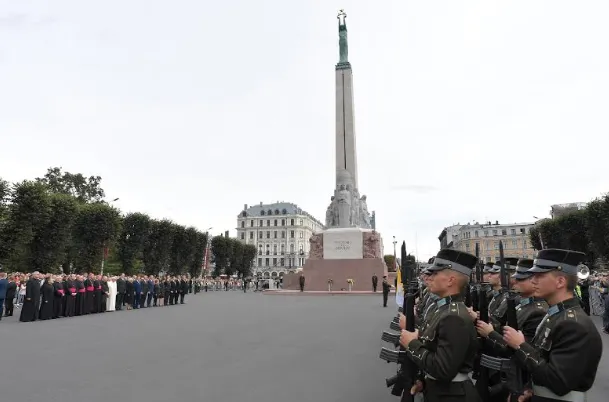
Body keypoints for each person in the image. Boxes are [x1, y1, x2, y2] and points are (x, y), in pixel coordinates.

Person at [503, 249, 603, 401]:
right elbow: (545, 363)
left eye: (539, 275)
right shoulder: (556, 314)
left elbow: (558, 382)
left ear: (560, 281)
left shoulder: (573, 324)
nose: (533, 280)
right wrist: (532, 391)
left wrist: (520, 345)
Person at [399, 248, 480, 402]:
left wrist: (412, 344)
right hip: (443, 391)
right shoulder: (445, 310)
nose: (430, 277)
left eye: (435, 273)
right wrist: (425, 382)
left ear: (450, 280)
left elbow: (443, 370)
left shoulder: (453, 317)